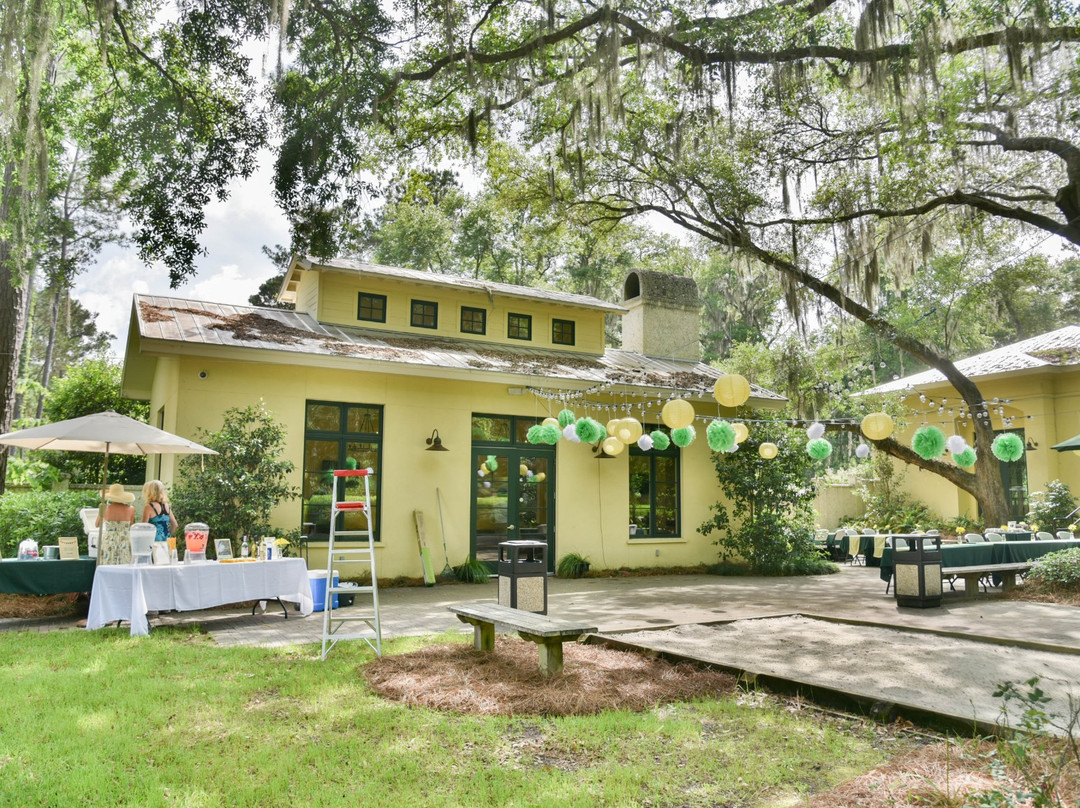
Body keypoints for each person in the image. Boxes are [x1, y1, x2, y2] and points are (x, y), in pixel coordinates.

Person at [96, 483, 136, 566]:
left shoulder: (105, 508)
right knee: (125, 564)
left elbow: (97, 524)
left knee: (108, 564)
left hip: (109, 539)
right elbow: (132, 525)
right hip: (124, 539)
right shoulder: (131, 509)